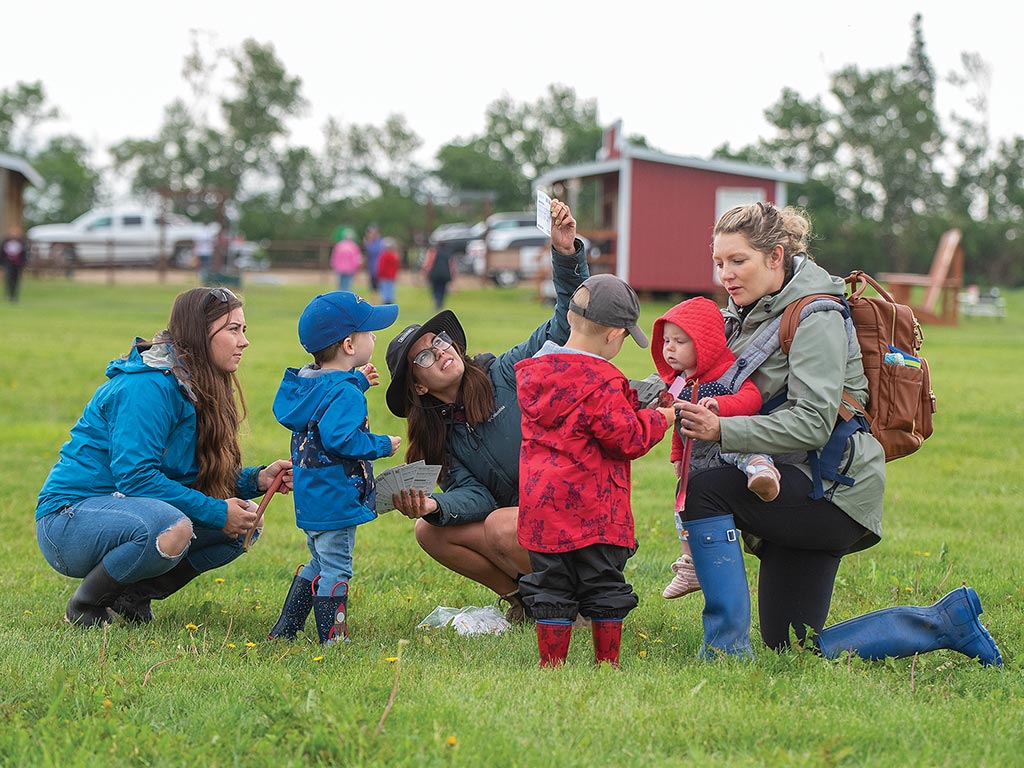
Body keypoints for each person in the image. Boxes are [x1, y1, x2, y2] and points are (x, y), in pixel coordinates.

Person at [674, 201, 1002, 666]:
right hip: (795, 483)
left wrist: (722, 428)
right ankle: (945, 622)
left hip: (831, 491)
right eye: (719, 262)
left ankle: (723, 652)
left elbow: (813, 421)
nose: (726, 273)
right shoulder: (746, 316)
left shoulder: (816, 316)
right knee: (793, 647)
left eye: (738, 261)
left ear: (776, 256)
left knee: (706, 492)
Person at [35, 287, 294, 627]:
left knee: (247, 523)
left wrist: (254, 480)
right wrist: (216, 511)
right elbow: (136, 477)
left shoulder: (194, 382)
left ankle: (133, 597)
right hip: (69, 519)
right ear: (201, 334)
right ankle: (85, 604)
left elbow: (183, 474)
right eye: (233, 329)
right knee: (173, 526)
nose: (244, 341)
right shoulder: (149, 386)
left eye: (243, 330)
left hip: (127, 509)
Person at [383, 198, 589, 623]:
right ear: (418, 387)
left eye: (439, 342)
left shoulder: (507, 371)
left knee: (499, 525)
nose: (440, 352)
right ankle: (528, 602)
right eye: (424, 357)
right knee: (430, 532)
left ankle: (580, 603)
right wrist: (434, 507)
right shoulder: (441, 434)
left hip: (570, 511)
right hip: (520, 525)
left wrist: (565, 254)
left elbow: (564, 325)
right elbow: (474, 495)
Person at [515, 274, 675, 667]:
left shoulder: (534, 373)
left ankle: (551, 662)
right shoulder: (602, 381)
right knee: (603, 583)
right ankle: (607, 662)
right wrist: (661, 416)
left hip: (542, 511)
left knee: (550, 584)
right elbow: (627, 439)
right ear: (614, 336)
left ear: (571, 318)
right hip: (593, 511)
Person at [268, 291, 402, 644]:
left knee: (318, 562)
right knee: (338, 568)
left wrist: (356, 380)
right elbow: (340, 438)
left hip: (312, 499)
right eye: (369, 332)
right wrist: (382, 445)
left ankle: (286, 630)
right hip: (337, 498)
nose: (374, 337)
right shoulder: (345, 394)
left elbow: (324, 396)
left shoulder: (307, 382)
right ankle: (333, 638)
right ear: (348, 344)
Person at [649, 297, 779, 600]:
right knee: (683, 505)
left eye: (680, 341)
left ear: (704, 344)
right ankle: (690, 564)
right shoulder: (680, 383)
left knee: (742, 453)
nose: (669, 348)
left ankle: (762, 471)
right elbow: (679, 420)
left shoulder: (726, 372)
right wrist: (677, 456)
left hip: (731, 438)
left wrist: (722, 404)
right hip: (698, 457)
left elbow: (752, 399)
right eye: (666, 340)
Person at [420, 242, 455, 310]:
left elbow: (428, 264)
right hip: (445, 275)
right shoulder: (448, 254)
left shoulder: (433, 253)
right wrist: (453, 276)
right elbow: (451, 266)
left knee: (435, 289)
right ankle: (440, 302)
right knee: (443, 289)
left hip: (434, 274)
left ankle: (437, 300)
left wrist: (424, 273)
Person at [2, 225, 29, 302]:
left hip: (18, 264)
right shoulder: (5, 242)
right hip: (8, 263)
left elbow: (25, 254)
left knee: (17, 280)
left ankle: (14, 296)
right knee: (9, 279)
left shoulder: (22, 242)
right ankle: (9, 294)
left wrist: (24, 263)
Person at [331, 227, 363, 292]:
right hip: (350, 269)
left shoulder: (339, 245)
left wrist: (334, 266)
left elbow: (334, 257)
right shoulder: (354, 246)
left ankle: (339, 300)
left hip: (340, 269)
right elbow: (357, 259)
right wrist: (357, 268)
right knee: (347, 286)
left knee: (340, 286)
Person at [376, 238, 401, 304]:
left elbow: (381, 267)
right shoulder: (394, 256)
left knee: (385, 292)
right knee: (390, 291)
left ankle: (386, 303)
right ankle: (390, 302)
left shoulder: (384, 256)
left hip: (384, 276)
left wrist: (379, 275)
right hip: (391, 277)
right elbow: (396, 267)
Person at [363, 225, 384, 295]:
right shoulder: (371, 243)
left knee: (379, 288)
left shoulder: (380, 243)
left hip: (379, 269)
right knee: (373, 288)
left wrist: (368, 243)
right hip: (372, 269)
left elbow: (374, 251)